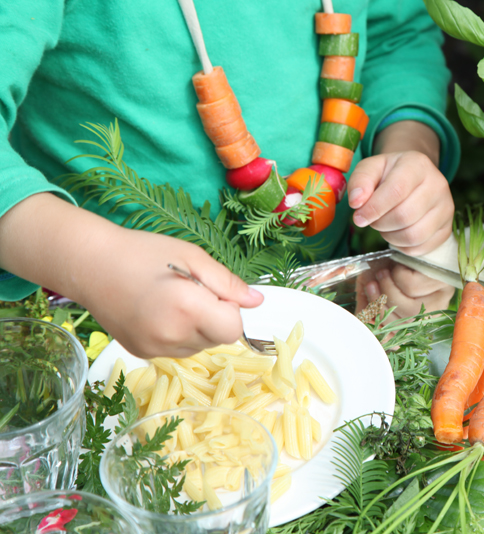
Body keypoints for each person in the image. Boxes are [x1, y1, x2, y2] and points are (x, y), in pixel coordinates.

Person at [0, 0, 460, 359]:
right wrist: (94, 261)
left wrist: (409, 152)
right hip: (101, 339)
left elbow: (393, 36)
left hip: (336, 310)